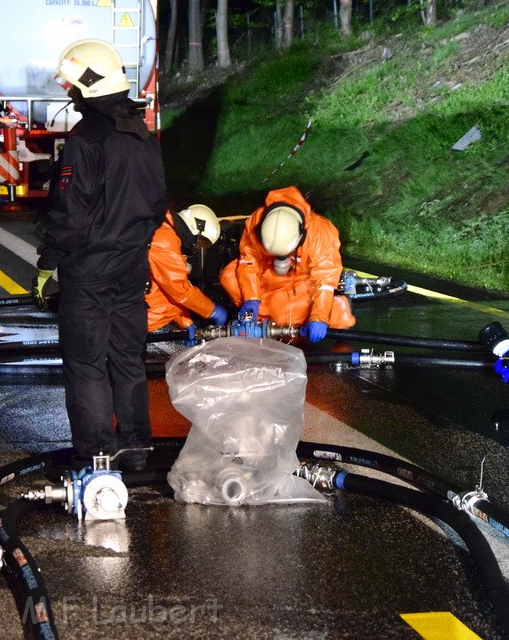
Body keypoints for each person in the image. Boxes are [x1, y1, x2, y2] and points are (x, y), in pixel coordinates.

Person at [32, 38, 167, 471]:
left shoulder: (84, 139)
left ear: (86, 85)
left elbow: (70, 213)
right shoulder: (142, 135)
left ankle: (96, 457)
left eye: (71, 84)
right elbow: (157, 203)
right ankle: (136, 449)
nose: (68, 92)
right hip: (131, 267)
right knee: (128, 359)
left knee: (87, 364)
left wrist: (48, 260)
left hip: (88, 272)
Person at [219, 185, 355, 342]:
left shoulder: (320, 232)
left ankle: (337, 312)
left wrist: (319, 317)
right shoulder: (256, 222)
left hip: (303, 281)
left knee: (286, 310)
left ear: (301, 236)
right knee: (229, 276)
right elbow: (249, 261)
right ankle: (264, 322)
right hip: (270, 275)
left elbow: (324, 280)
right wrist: (251, 299)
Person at [146, 204, 228, 332]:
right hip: (124, 299)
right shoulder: (165, 239)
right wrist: (212, 310)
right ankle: (130, 334)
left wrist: (186, 322)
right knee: (169, 302)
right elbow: (179, 290)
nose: (197, 246)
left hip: (125, 283)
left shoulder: (164, 227)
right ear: (197, 226)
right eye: (201, 241)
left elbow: (171, 286)